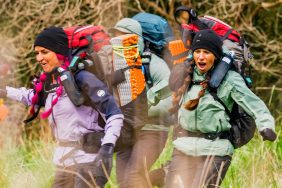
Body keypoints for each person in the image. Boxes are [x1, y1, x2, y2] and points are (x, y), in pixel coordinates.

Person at [0, 26, 124, 188]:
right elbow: (33, 97)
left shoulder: (83, 78)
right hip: (64, 163)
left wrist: (107, 147)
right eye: (37, 53)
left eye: (44, 52)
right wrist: (5, 91)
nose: (39, 58)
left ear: (59, 51)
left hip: (89, 161)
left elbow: (114, 114)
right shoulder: (51, 81)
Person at [165, 29, 276, 187]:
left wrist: (266, 125)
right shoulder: (187, 75)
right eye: (198, 52)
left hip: (215, 150)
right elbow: (161, 92)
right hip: (183, 147)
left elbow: (255, 105)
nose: (201, 57)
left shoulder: (230, 79)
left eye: (206, 52)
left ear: (215, 56)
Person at [109, 18, 173, 188]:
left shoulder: (154, 64)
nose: (118, 40)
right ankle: (161, 177)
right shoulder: (114, 64)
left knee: (134, 175)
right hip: (127, 130)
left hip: (153, 130)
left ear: (136, 39)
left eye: (123, 36)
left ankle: (163, 175)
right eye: (115, 35)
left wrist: (141, 109)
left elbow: (170, 103)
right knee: (124, 182)